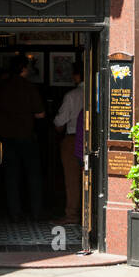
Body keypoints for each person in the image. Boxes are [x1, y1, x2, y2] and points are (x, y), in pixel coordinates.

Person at [0, 54, 45, 221]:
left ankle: (14, 213)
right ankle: (36, 212)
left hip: (6, 138)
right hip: (26, 136)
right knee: (33, 176)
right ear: (24, 69)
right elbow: (40, 114)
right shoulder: (29, 87)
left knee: (11, 176)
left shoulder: (2, 87)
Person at [53, 63, 84, 223]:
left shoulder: (72, 95)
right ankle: (90, 214)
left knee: (72, 180)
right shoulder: (97, 92)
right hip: (91, 139)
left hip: (72, 138)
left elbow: (60, 121)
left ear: (77, 76)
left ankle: (72, 214)